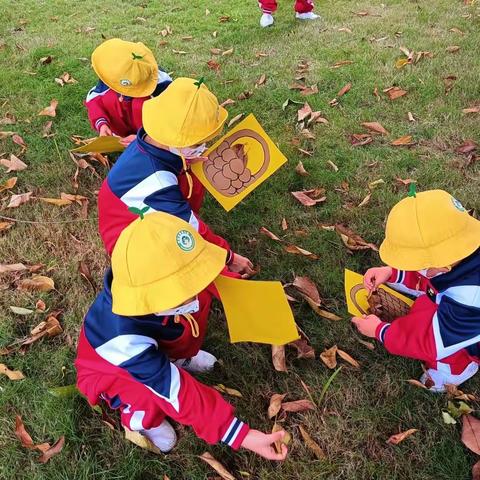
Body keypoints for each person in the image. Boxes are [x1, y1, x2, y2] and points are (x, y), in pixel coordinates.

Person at [75, 211, 288, 460]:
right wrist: (240, 434)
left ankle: (177, 357)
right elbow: (175, 389)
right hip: (111, 374)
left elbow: (215, 280)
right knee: (148, 393)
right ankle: (140, 419)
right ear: (152, 296)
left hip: (157, 344)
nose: (196, 290)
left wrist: (262, 308)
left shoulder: (160, 283)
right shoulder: (123, 339)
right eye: (183, 288)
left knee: (180, 332)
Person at [97, 76, 254, 278]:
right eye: (198, 143)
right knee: (193, 272)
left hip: (142, 213)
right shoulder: (157, 183)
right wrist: (229, 257)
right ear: (177, 141)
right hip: (128, 241)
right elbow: (191, 228)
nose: (203, 147)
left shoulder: (150, 137)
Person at [351, 189, 480, 392]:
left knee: (448, 352)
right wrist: (391, 273)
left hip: (465, 339)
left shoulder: (469, 299)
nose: (411, 268)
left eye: (415, 265)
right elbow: (430, 272)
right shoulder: (464, 248)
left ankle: (456, 370)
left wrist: (380, 331)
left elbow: (431, 342)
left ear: (443, 267)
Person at [85, 38, 172, 147]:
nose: (121, 98)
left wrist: (146, 138)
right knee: (109, 99)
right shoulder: (110, 78)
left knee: (140, 104)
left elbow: (171, 119)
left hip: (152, 133)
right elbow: (94, 100)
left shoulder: (163, 87)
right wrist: (102, 124)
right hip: (122, 126)